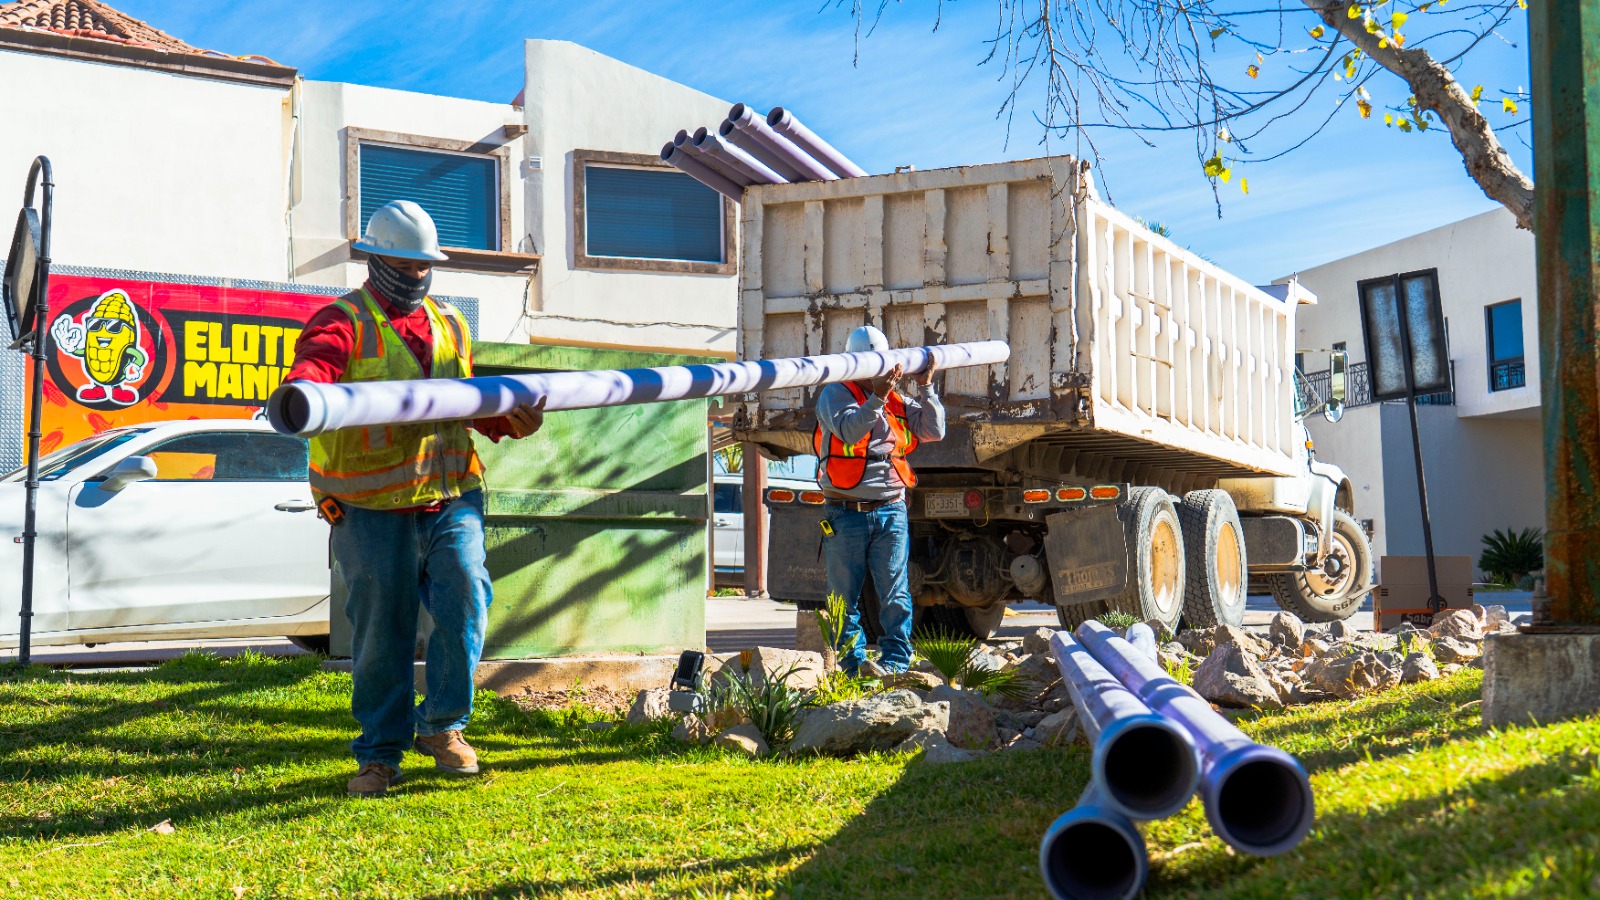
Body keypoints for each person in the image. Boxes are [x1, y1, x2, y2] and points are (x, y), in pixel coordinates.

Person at [284, 200, 545, 798]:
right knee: (383, 631)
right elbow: (314, 371)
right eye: (403, 265)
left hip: (452, 496)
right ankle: (379, 754)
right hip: (370, 508)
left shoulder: (450, 323)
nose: (416, 277)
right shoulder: (341, 321)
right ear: (374, 261)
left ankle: (444, 726)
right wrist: (302, 394)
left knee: (467, 602)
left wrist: (510, 420)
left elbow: (464, 402)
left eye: (424, 266)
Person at [813, 325, 945, 676]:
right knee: (844, 598)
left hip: (890, 509)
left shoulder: (897, 398)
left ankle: (897, 664)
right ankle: (853, 668)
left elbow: (934, 430)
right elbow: (849, 430)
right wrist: (877, 398)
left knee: (895, 592)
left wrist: (926, 385)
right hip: (845, 513)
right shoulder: (834, 396)